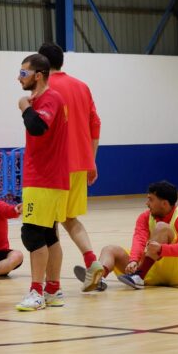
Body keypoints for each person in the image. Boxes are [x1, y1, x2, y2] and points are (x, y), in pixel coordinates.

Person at [38, 42, 104, 292]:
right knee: (69, 218)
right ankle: (91, 261)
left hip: (55, 165)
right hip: (80, 163)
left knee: (47, 225)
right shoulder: (81, 86)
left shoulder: (44, 88)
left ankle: (49, 284)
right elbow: (95, 123)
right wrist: (91, 159)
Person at [15, 53, 70, 311]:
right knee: (48, 234)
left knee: (32, 233)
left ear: (38, 75)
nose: (19, 78)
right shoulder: (42, 99)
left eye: (23, 73)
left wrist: (25, 106)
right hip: (46, 178)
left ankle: (37, 292)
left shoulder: (50, 98)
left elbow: (38, 128)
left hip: (44, 178)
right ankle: (53, 289)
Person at [74, 181, 178, 290]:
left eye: (151, 199)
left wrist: (161, 249)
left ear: (164, 203)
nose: (147, 203)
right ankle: (99, 279)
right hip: (151, 267)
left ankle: (139, 276)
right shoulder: (144, 216)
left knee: (161, 227)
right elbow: (139, 240)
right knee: (109, 249)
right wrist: (134, 260)